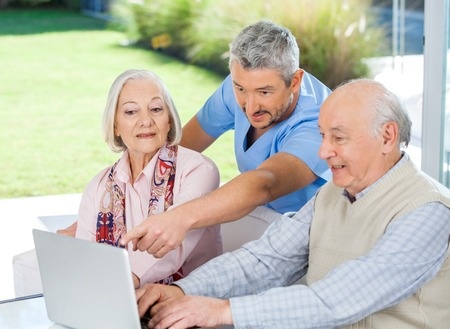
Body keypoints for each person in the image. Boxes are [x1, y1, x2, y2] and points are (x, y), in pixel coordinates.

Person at [135, 79, 450, 329]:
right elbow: (268, 259)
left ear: (387, 136)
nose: (324, 152)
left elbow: (336, 301)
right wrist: (183, 291)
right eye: (322, 136)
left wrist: (220, 311)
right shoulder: (330, 196)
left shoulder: (428, 210)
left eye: (338, 138)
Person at [120, 20, 331, 258]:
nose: (250, 107)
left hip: (309, 236)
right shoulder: (239, 86)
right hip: (257, 215)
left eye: (264, 92)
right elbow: (176, 152)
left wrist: (180, 217)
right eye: (240, 89)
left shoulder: (321, 121)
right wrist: (114, 208)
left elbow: (264, 184)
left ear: (295, 81)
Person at [75, 68, 222, 287]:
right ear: (115, 125)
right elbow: (83, 257)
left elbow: (168, 247)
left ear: (169, 120)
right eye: (131, 112)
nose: (146, 121)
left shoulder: (199, 170)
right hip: (119, 301)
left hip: (191, 306)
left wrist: (112, 286)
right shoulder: (99, 186)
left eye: (155, 109)